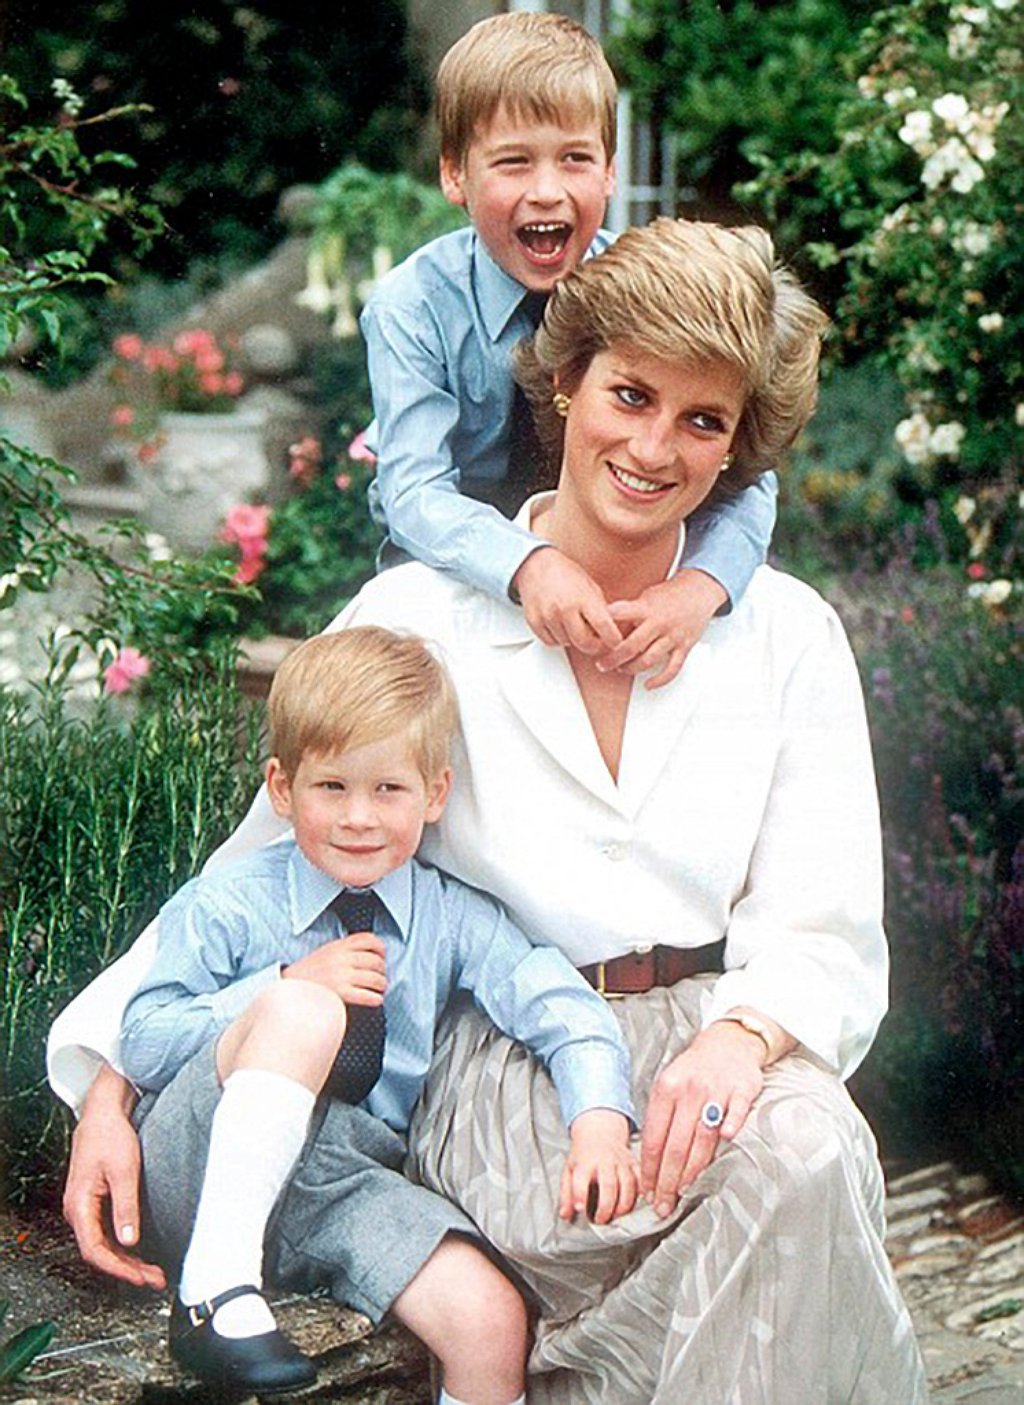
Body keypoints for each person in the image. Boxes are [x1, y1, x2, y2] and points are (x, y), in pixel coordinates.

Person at [50, 217, 929, 1403]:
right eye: (630, 395)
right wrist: (110, 1087)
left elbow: (825, 916)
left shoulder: (788, 632)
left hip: (716, 1039)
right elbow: (264, 864)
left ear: (738, 447)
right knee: (742, 1218)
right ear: (567, 385)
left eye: (702, 420)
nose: (653, 447)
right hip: (510, 1066)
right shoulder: (421, 617)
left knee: (808, 1152)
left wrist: (742, 1037)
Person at [114, 627, 637, 1402]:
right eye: (332, 786)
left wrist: (599, 1115)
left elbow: (557, 1000)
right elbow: (142, 1039)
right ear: (282, 788)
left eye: (388, 788)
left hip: (339, 1179)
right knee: (303, 1010)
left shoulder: (450, 916)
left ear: (435, 793)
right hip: (201, 1157)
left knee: (489, 1317)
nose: (359, 816)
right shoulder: (231, 900)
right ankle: (213, 1294)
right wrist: (277, 985)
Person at [361, 11, 779, 690]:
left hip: (615, 580)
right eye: (514, 162)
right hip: (454, 579)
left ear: (610, 172)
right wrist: (528, 562)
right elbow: (413, 491)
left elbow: (750, 470)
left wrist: (701, 586)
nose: (547, 191)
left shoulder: (642, 287)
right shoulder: (412, 306)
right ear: (455, 175)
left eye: (576, 159)